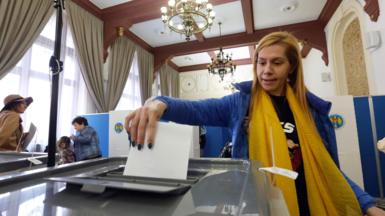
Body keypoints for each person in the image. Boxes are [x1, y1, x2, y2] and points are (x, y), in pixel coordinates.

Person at [124, 32, 385, 215]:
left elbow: (329, 169)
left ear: (291, 67)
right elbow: (195, 110)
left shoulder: (312, 111)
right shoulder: (240, 104)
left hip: (310, 203)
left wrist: (366, 203)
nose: (266, 70)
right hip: (257, 206)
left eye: (276, 62)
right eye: (261, 62)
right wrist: (158, 103)